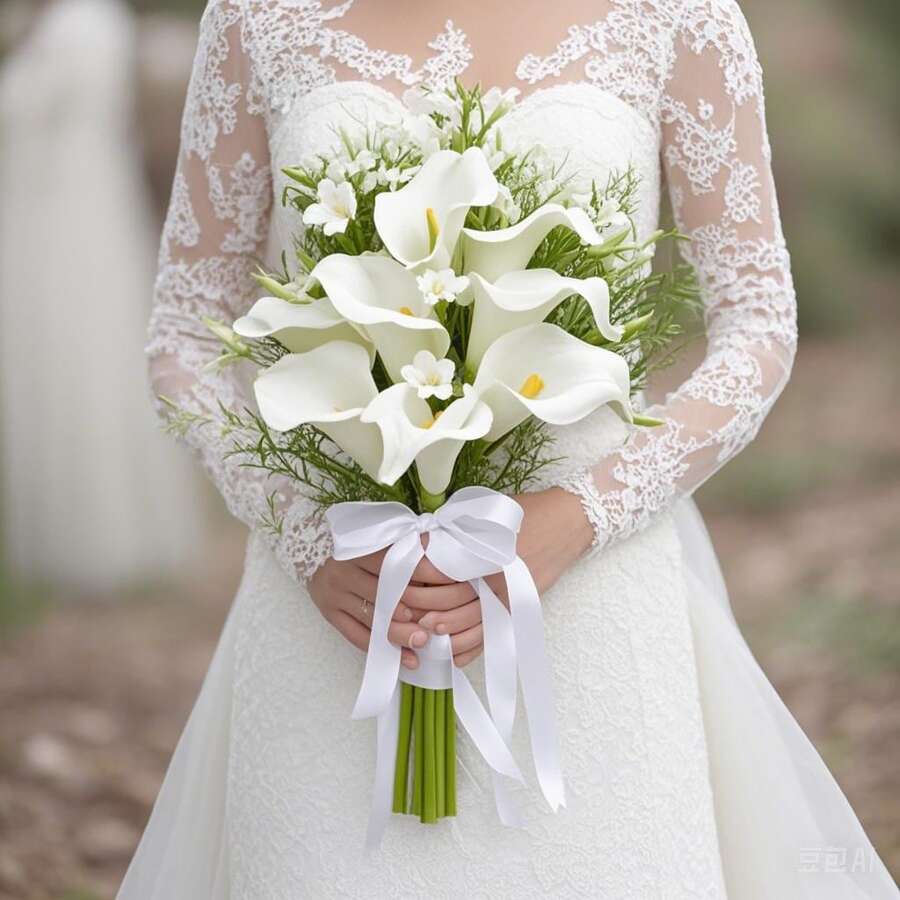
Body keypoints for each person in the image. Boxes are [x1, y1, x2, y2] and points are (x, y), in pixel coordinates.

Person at [119, 1, 899, 897]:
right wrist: (303, 532)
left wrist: (581, 515)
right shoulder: (260, 17)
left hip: (588, 597)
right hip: (342, 600)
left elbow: (758, 321)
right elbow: (184, 331)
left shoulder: (677, 16)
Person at [0, 0, 204, 593]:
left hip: (63, 225)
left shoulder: (82, 26)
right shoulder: (85, 24)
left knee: (80, 363)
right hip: (66, 218)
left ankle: (94, 539)